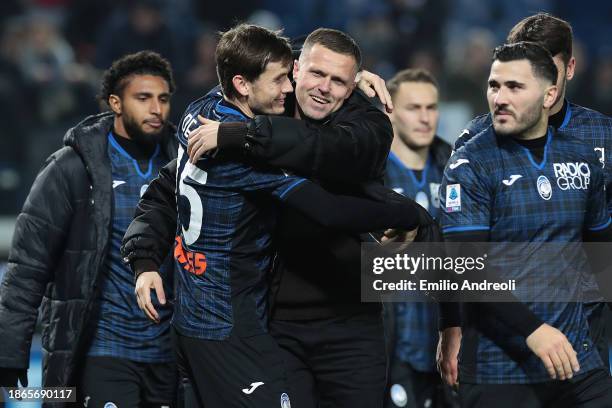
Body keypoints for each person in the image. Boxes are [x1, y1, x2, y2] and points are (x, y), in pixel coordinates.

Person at [124, 24, 430, 408]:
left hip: (352, 322)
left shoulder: (367, 125)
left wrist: (242, 134)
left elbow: (325, 149)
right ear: (296, 69)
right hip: (272, 323)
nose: (323, 87)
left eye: (339, 81)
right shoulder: (240, 120)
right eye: (314, 73)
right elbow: (168, 189)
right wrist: (145, 256)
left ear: (353, 87)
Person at [440, 12, 612, 387]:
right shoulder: (475, 144)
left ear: (566, 71)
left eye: (545, 68)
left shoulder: (601, 135)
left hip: (589, 326)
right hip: (505, 332)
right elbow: (462, 257)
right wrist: (451, 323)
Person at [0, 51, 179, 408]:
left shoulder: (186, 166)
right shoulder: (71, 169)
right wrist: (9, 352)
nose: (156, 109)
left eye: (163, 99)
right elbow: (27, 268)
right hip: (103, 349)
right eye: (143, 98)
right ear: (115, 102)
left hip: (171, 354)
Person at [382, 68, 455, 408]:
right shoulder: (371, 173)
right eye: (414, 108)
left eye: (432, 107)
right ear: (391, 111)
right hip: (393, 343)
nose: (426, 118)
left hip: (447, 342)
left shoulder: (456, 169)